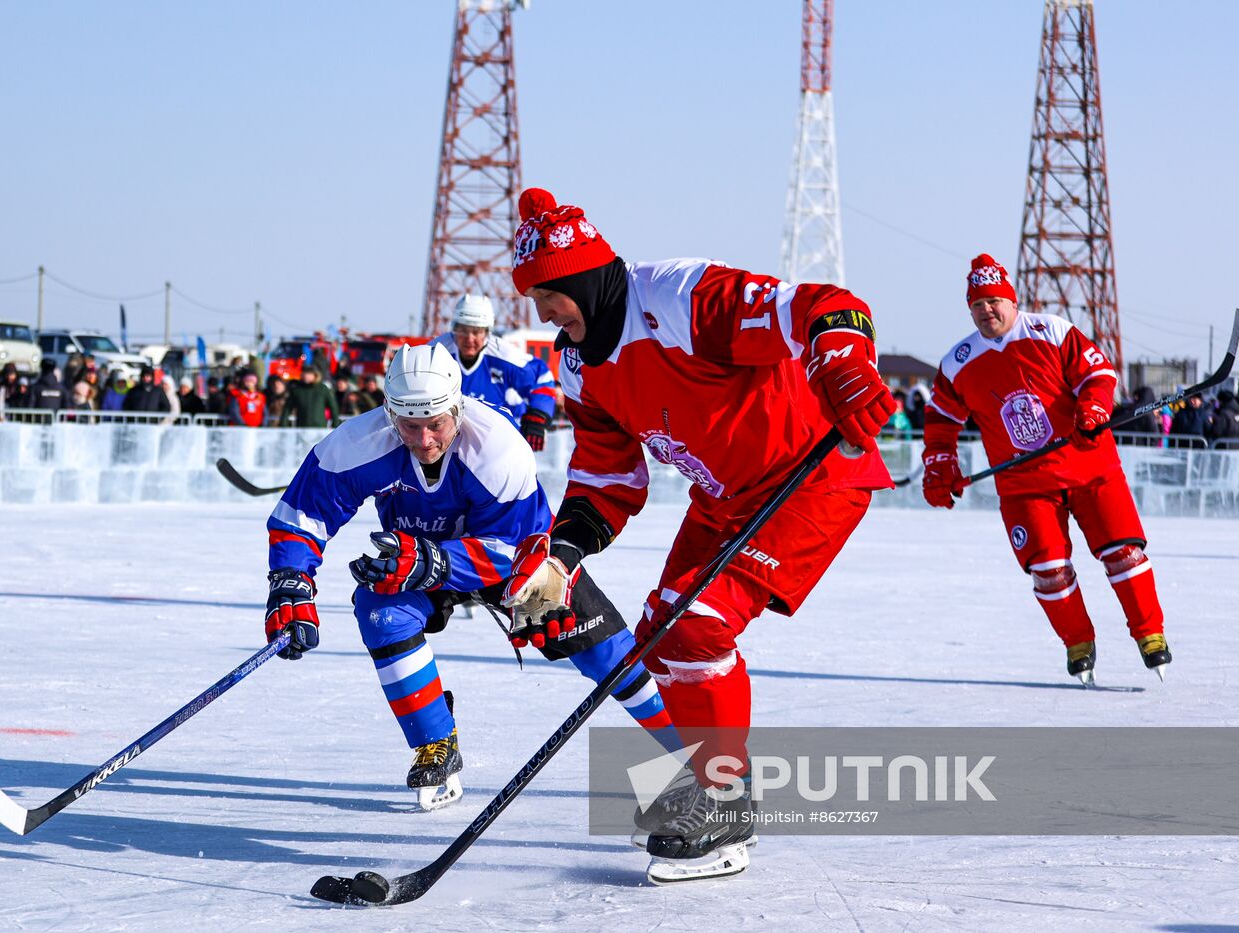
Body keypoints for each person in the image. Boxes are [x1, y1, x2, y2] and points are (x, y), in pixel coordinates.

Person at [497, 187, 895, 883]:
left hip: (810, 474)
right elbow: (606, 477)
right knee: (660, 627)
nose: (544, 314)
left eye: (547, 295)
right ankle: (708, 778)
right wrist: (561, 559)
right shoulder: (579, 368)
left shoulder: (677, 297)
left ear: (581, 279)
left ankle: (725, 796)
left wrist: (841, 361)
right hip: (724, 495)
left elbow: (824, 304)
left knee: (697, 627)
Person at [263, 344, 677, 810]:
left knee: (606, 652)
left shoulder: (497, 447)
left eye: (436, 423)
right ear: (388, 412)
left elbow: (511, 549)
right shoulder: (356, 443)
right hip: (416, 558)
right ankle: (435, 742)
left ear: (457, 409)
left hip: (520, 563)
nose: (424, 440)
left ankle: (691, 757)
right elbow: (302, 514)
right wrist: (290, 584)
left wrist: (434, 561)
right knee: (378, 609)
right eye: (410, 426)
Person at [921, 254, 1170, 688]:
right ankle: (1078, 643)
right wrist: (940, 464)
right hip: (1024, 486)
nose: (987, 311)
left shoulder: (1049, 331)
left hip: (1090, 468)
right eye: (977, 304)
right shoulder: (958, 361)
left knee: (1123, 555)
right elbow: (941, 419)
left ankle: (1149, 634)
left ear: (1012, 301)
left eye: (994, 301)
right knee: (1049, 570)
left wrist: (1092, 409)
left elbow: (1098, 372)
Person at [430, 294, 558, 451]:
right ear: (454, 329)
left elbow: (541, 376)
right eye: (463, 330)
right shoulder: (435, 353)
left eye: (476, 332)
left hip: (499, 443)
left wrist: (537, 417)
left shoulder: (504, 355)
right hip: (450, 444)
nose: (470, 339)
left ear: (487, 332)